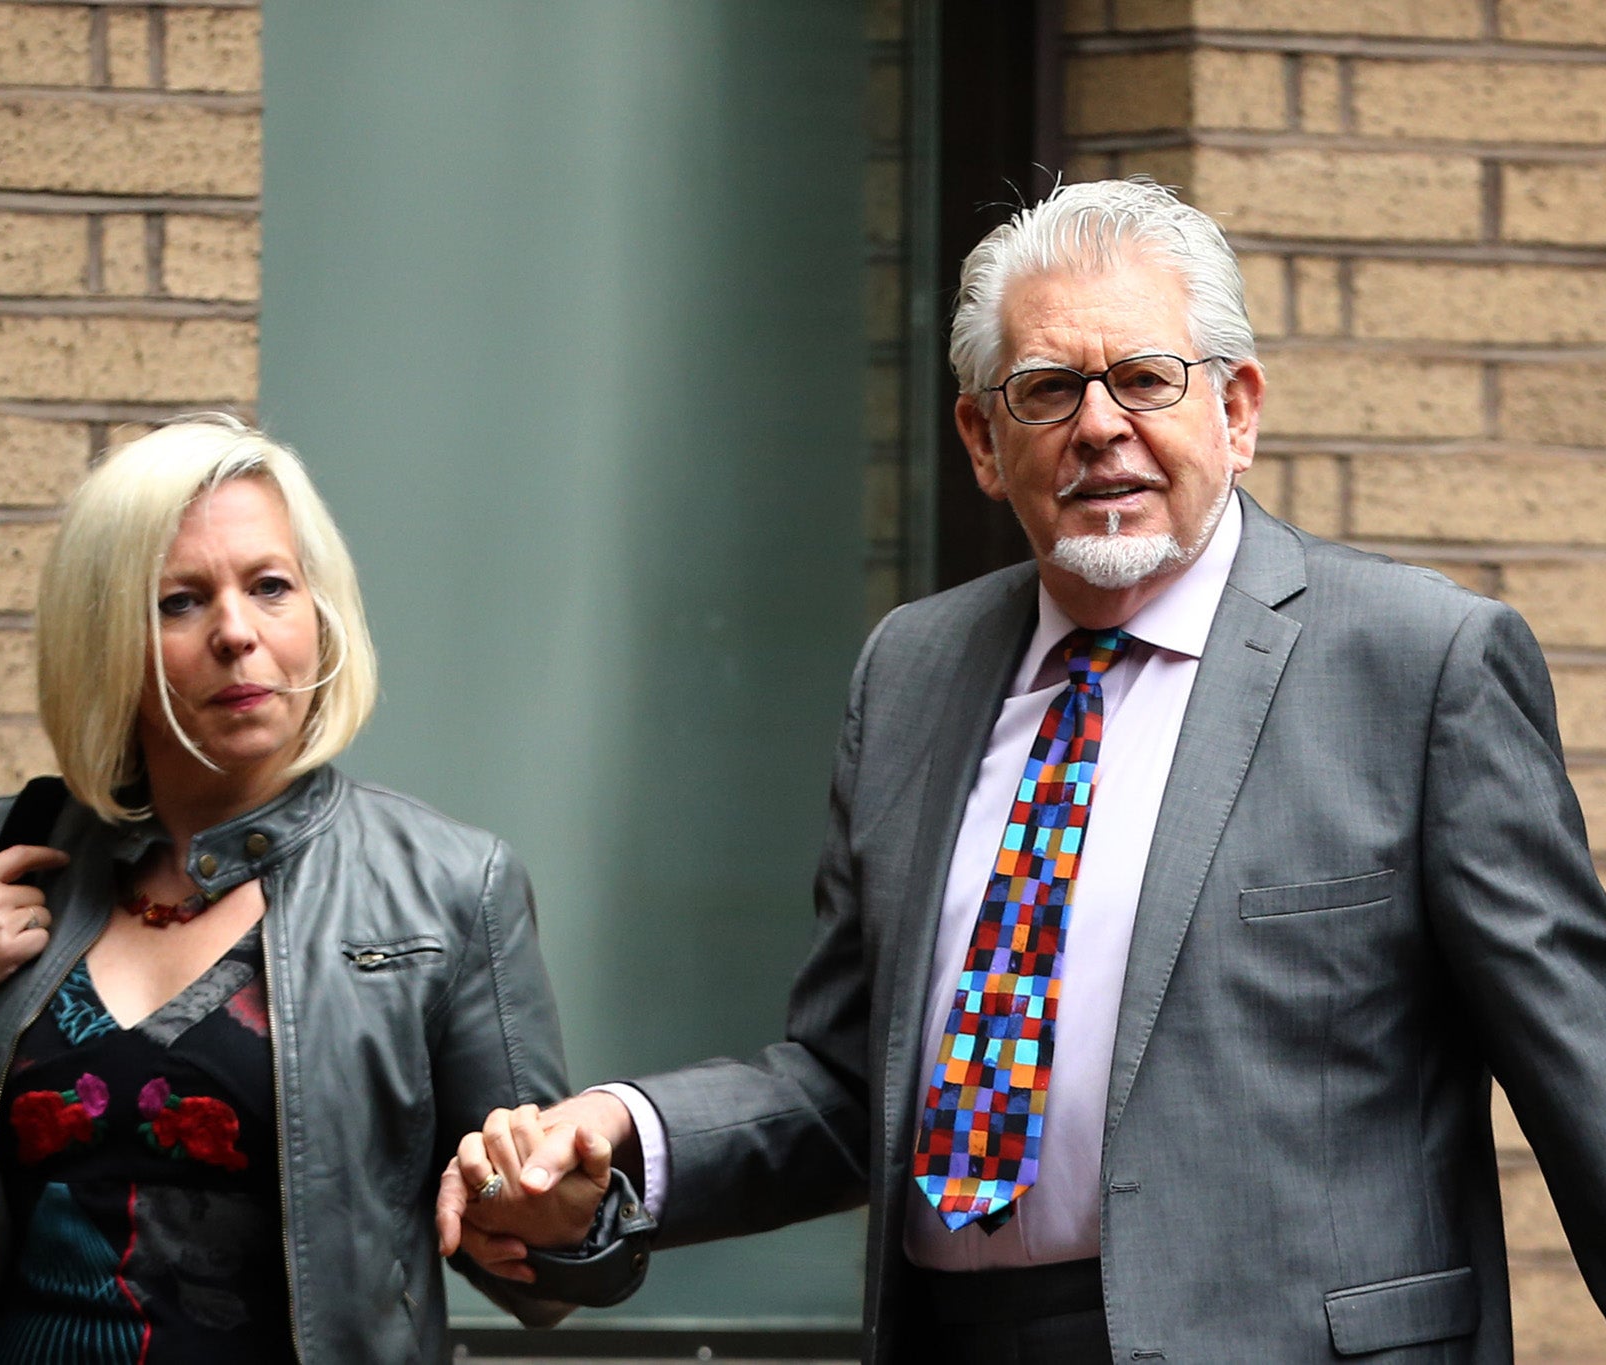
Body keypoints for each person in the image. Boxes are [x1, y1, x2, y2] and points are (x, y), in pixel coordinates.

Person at [438, 179, 1606, 1362]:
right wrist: (623, 1132)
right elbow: (855, 1078)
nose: (1097, 426)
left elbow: (1581, 1066)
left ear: (1236, 410)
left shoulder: (1415, 665)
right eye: (1045, 390)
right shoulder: (912, 669)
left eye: (1143, 378)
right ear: (982, 444)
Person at [0, 415, 585, 1364]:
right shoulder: (13, 852)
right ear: (107, 639)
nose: (237, 632)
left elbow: (541, 1274)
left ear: (318, 612)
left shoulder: (447, 885)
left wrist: (561, 1212)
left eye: (270, 586)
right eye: (181, 601)